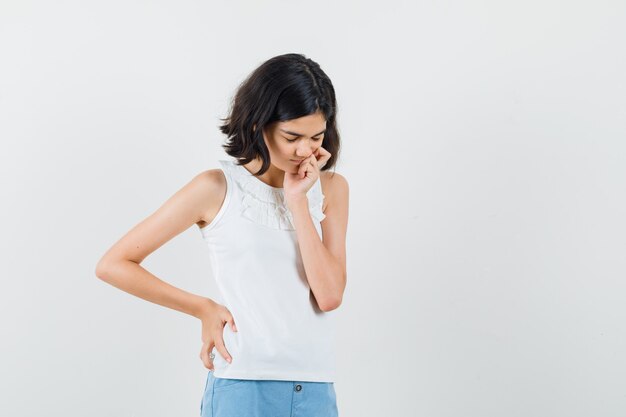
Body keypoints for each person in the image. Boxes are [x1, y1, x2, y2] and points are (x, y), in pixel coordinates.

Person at [95, 53, 349, 417]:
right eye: (292, 136)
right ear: (260, 124)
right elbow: (113, 265)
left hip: (315, 387)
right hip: (243, 386)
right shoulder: (216, 188)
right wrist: (202, 308)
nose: (305, 151)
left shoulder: (332, 189)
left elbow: (328, 295)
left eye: (316, 137)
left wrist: (297, 200)